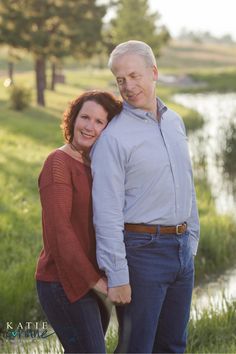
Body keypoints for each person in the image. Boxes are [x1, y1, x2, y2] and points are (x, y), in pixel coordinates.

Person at [91, 40, 200, 353]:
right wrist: (118, 274)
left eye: (134, 76)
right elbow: (107, 212)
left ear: (154, 72)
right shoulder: (113, 138)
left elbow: (186, 184)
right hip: (142, 253)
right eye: (120, 80)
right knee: (136, 348)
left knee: (173, 345)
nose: (128, 86)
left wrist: (191, 239)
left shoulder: (175, 122)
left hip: (180, 250)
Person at [35, 90, 122, 354]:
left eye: (99, 122)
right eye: (85, 117)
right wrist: (95, 283)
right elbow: (60, 232)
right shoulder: (58, 163)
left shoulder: (97, 164)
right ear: (73, 119)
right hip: (63, 281)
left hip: (95, 280)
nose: (89, 127)